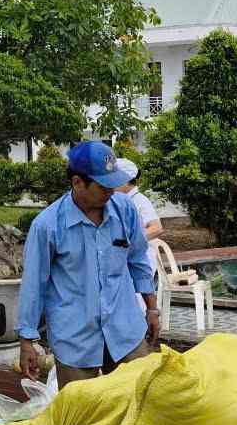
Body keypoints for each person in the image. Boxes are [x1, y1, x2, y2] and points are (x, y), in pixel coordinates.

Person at [17, 141, 160, 388]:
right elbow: (34, 285)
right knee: (82, 415)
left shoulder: (124, 209)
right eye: (104, 186)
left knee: (141, 402)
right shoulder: (47, 225)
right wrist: (26, 341)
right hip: (75, 338)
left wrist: (152, 309)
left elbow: (137, 259)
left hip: (125, 330)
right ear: (77, 182)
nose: (111, 192)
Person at [115, 158, 164, 306]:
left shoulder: (139, 200)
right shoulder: (120, 200)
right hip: (124, 260)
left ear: (125, 180)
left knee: (139, 303)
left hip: (141, 261)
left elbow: (157, 228)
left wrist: (130, 242)